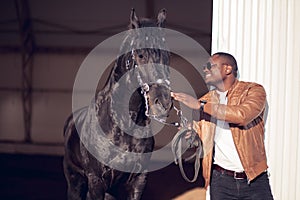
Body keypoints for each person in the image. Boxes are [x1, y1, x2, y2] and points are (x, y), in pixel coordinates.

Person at [171, 52, 273, 200]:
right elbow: (202, 139)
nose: (205, 70)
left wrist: (200, 106)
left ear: (227, 69)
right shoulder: (206, 100)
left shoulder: (253, 91)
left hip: (255, 180)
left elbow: (242, 116)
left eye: (209, 66)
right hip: (221, 182)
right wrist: (191, 134)